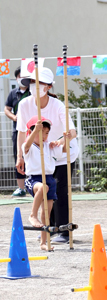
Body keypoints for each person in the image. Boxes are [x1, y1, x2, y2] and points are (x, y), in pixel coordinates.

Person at [16, 67, 79, 244]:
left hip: (61, 152)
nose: (34, 87)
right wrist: (19, 156)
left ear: (48, 87)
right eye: (32, 83)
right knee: (43, 192)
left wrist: (62, 139)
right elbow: (22, 133)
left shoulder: (58, 105)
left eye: (39, 83)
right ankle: (46, 229)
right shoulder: (24, 104)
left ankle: (63, 230)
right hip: (38, 155)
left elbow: (72, 131)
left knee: (60, 191)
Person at [23, 116, 68, 251]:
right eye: (41, 133)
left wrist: (66, 138)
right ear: (32, 133)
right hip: (34, 179)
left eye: (46, 133)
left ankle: (44, 242)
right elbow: (26, 146)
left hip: (48, 178)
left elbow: (64, 151)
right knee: (43, 187)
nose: (44, 136)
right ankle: (32, 215)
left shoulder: (48, 146)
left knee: (46, 213)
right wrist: (35, 131)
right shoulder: (29, 146)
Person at [4, 67, 30, 197]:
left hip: (32, 129)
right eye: (20, 77)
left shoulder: (33, 92)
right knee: (19, 156)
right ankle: (21, 188)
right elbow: (6, 108)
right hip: (18, 130)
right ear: (16, 78)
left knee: (34, 154)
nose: (22, 79)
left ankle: (36, 184)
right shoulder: (13, 93)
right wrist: (14, 117)